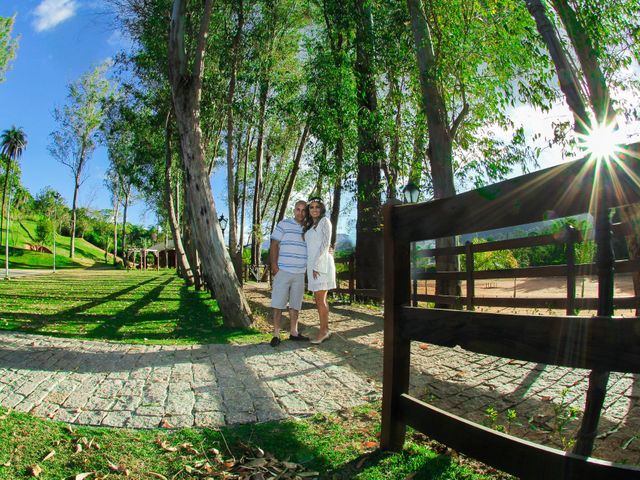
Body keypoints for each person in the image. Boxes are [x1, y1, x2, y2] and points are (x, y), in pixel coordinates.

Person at [269, 200, 310, 347]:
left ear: (307, 212)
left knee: (295, 304)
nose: (300, 213)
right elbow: (274, 245)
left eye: (304, 210)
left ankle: (294, 332)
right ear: (294, 211)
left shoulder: (308, 228)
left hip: (300, 273)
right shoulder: (284, 224)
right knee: (278, 304)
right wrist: (274, 267)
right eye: (298, 209)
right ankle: (276, 334)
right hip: (283, 271)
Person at [303, 197, 336, 344]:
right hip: (312, 266)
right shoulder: (310, 226)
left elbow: (325, 244)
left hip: (321, 265)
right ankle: (325, 329)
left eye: (317, 207)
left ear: (321, 209)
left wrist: (317, 265)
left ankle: (323, 332)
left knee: (321, 300)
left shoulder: (325, 222)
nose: (314, 209)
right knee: (318, 299)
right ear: (309, 211)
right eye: (311, 207)